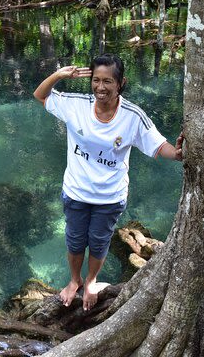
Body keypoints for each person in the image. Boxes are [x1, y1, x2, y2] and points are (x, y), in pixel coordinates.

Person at [33, 54, 183, 311]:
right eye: (96, 80)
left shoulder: (132, 116)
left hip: (109, 197)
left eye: (108, 82)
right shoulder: (76, 105)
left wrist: (178, 154)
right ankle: (74, 280)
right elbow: (41, 95)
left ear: (120, 83)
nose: (101, 87)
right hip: (76, 192)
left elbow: (158, 146)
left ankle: (90, 281)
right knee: (75, 240)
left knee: (99, 241)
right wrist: (59, 75)